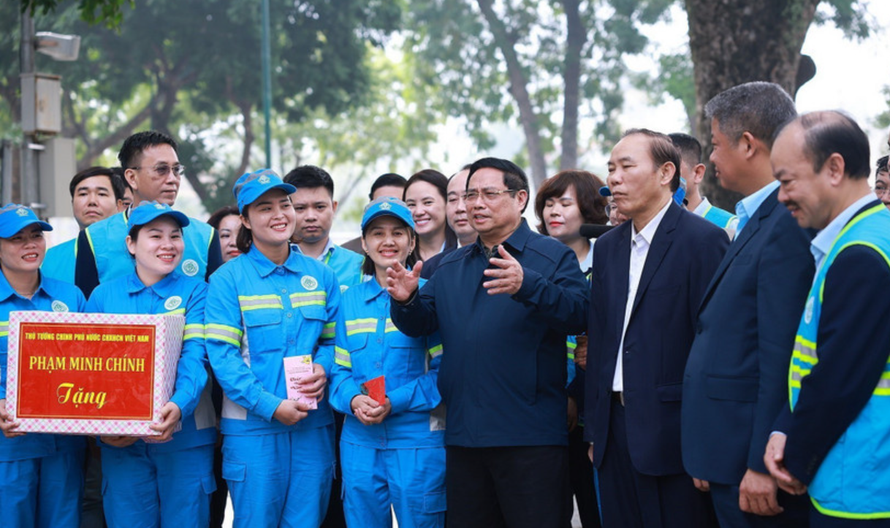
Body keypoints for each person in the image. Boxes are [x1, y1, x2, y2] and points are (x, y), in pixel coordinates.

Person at [388, 157, 588, 528]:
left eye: (489, 194)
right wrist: (405, 300)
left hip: (530, 437)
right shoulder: (447, 267)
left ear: (520, 198)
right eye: (468, 195)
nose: (474, 204)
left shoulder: (552, 257)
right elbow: (420, 324)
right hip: (465, 436)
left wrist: (528, 285)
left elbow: (579, 313)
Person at [681, 82, 813, 528]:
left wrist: (760, 461)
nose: (712, 158)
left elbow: (780, 354)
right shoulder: (759, 218)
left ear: (748, 144)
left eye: (716, 146)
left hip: (751, 463)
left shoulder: (788, 222)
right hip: (726, 451)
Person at [584, 128, 728, 528]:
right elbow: (602, 340)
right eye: (610, 168)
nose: (613, 178)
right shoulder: (609, 247)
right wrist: (596, 431)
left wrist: (707, 444)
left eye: (627, 166)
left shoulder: (704, 241)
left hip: (675, 432)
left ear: (667, 173)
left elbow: (714, 345)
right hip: (614, 431)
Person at [764, 111, 890, 527]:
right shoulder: (869, 234)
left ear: (834, 168)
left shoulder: (862, 255)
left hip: (859, 485)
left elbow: (839, 378)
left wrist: (796, 459)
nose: (781, 196)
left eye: (787, 181)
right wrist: (785, 427)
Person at [204, 169, 339, 527]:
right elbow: (223, 357)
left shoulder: (322, 276)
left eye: (284, 204)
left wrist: (323, 367)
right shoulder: (226, 280)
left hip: (312, 426)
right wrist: (271, 405)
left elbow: (333, 341)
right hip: (253, 430)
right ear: (245, 219)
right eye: (264, 208)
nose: (279, 214)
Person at [85, 201, 216, 527]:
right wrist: (106, 428)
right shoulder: (102, 297)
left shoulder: (198, 292)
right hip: (122, 444)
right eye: (155, 236)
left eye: (175, 236)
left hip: (185, 437)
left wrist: (178, 405)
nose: (168, 245)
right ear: (131, 244)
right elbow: (89, 369)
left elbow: (194, 357)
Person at [330, 197, 445, 528]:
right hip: (359, 444)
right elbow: (339, 371)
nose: (388, 241)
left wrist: (394, 401)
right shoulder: (347, 301)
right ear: (364, 244)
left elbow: (443, 373)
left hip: (418, 443)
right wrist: (353, 399)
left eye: (398, 232)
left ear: (412, 241)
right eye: (377, 233)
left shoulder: (431, 296)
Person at [0, 204, 87, 527]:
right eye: (16, 238)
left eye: (36, 235)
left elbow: (94, 365)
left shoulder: (71, 296)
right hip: (9, 447)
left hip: (64, 444)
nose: (30, 244)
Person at [535, 169, 607, 528]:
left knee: (598, 510)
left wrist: (577, 394)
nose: (553, 212)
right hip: (543, 409)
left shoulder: (608, 262)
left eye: (565, 203)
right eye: (548, 204)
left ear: (591, 210)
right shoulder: (531, 264)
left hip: (593, 409)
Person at [73, 131, 222, 297]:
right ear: (131, 177)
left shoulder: (206, 236)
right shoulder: (94, 238)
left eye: (176, 170)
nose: (173, 179)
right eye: (161, 169)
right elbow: (87, 314)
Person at [42, 166, 127, 283]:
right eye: (83, 194)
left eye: (101, 194)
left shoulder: (136, 254)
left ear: (120, 205)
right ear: (72, 203)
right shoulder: (51, 258)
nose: (92, 201)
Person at [284, 165, 364, 289]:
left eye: (320, 207)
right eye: (300, 208)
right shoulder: (273, 263)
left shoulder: (359, 265)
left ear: (334, 207)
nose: (311, 216)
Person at [668, 132, 737, 232]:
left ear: (697, 173)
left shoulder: (729, 226)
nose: (664, 176)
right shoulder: (650, 225)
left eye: (670, 168)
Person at [419, 167, 474, 279]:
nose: (459, 208)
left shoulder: (510, 261)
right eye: (453, 199)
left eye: (468, 197)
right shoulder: (432, 268)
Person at [342, 173, 407, 254]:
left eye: (397, 204)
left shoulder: (424, 255)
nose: (389, 208)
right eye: (381, 203)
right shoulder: (348, 255)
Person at [403, 170, 457, 262]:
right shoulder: (400, 255)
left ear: (447, 202)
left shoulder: (463, 249)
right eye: (411, 204)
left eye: (428, 202)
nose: (419, 212)